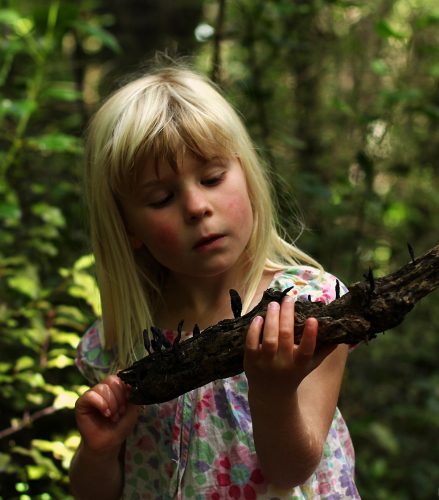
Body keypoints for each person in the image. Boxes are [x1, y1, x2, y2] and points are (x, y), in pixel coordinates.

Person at [69, 64, 360, 499]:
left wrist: (274, 392)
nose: (196, 206)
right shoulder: (125, 340)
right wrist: (98, 452)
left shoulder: (307, 307)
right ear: (127, 227)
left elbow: (291, 469)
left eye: (212, 178)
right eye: (161, 198)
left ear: (248, 178)